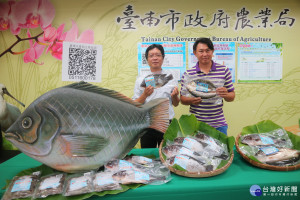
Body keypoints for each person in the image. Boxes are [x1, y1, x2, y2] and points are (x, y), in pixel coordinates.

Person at [180, 37, 235, 135]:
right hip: (195, 124)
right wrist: (191, 101)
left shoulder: (224, 70)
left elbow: (232, 96)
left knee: (222, 150)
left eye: (207, 50)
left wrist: (225, 94)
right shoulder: (188, 74)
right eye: (201, 51)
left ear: (212, 51)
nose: (204, 54)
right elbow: (182, 99)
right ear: (195, 53)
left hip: (218, 124)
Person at [133, 44, 180, 148]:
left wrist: (175, 96)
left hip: (167, 123)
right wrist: (144, 95)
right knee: (148, 157)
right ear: (147, 59)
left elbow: (176, 104)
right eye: (151, 55)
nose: (155, 58)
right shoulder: (141, 79)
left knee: (166, 154)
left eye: (158, 55)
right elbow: (136, 104)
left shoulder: (171, 78)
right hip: (147, 123)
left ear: (163, 58)